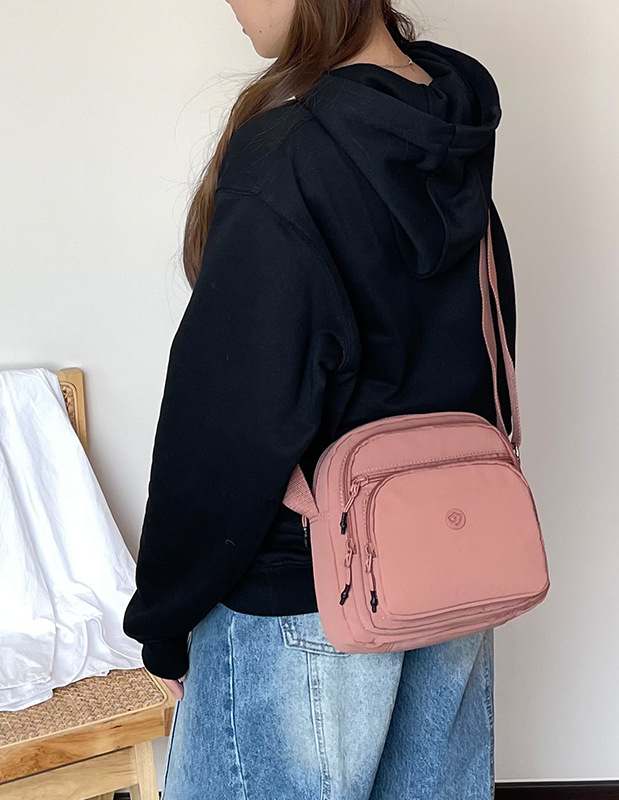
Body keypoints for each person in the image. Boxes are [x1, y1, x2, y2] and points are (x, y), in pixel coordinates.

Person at [122, 0, 518, 797]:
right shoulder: (451, 127)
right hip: (454, 568)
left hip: (304, 606)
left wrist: (163, 620)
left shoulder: (290, 156)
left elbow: (226, 424)